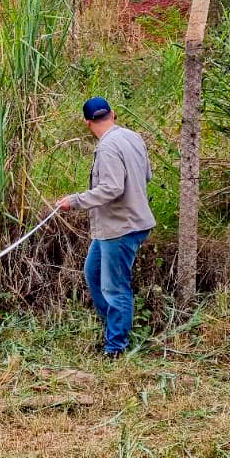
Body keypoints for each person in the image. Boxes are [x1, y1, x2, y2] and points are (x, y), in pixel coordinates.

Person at [54, 97, 156, 358]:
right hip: (118, 226)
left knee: (114, 287)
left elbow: (112, 188)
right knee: (94, 273)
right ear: (113, 113)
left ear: (87, 123)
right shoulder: (133, 137)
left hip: (120, 227)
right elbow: (146, 175)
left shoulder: (108, 147)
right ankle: (113, 325)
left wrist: (75, 201)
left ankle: (115, 347)